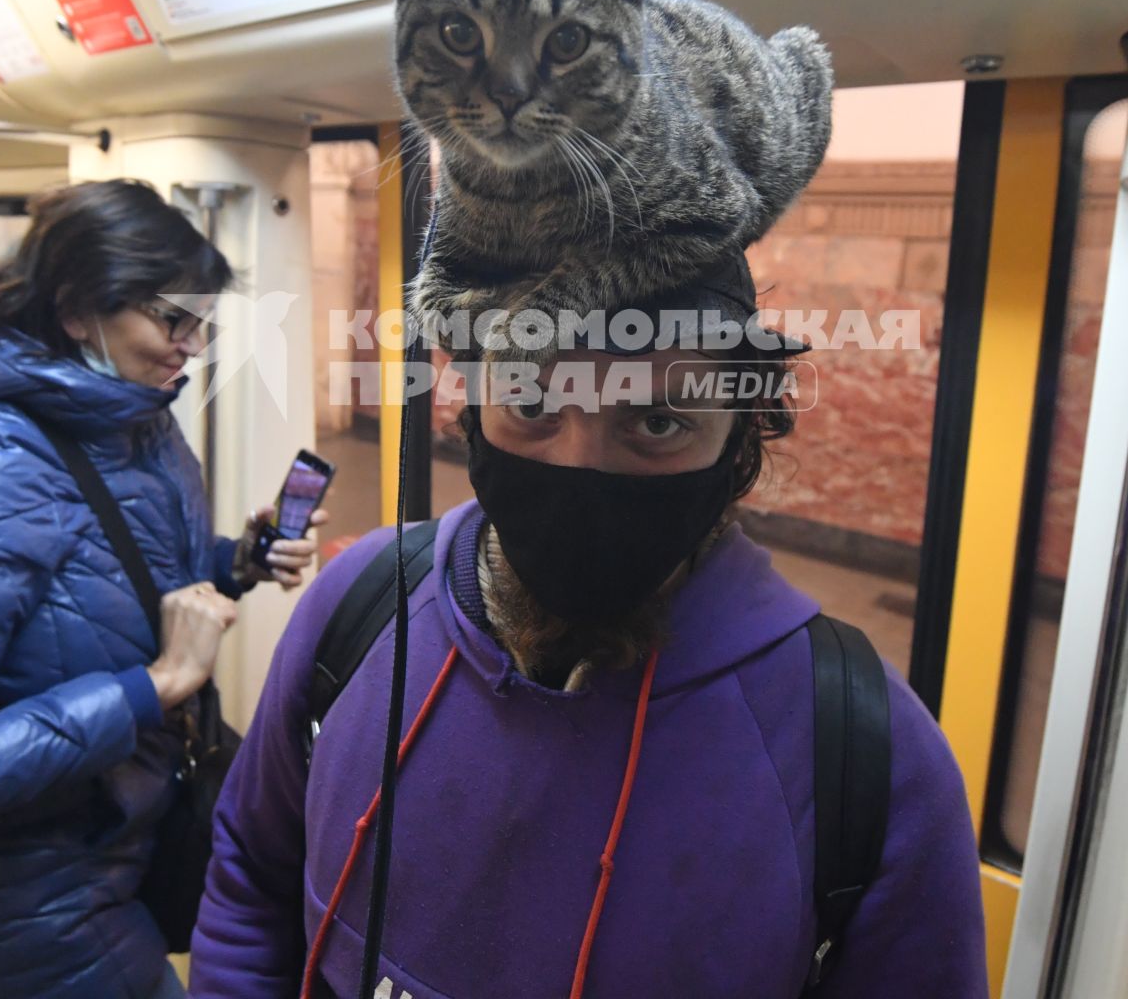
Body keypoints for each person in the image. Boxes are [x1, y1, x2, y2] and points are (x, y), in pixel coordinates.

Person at [191, 254, 989, 998]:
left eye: (657, 422)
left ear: (739, 442)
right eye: (534, 403)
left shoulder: (864, 752)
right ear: (473, 403)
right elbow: (254, 880)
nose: (579, 467)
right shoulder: (359, 607)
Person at [0, 180, 327, 999]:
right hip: (12, 911)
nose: (192, 346)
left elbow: (112, 577)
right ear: (75, 309)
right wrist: (152, 687)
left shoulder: (134, 417)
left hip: (123, 842)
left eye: (203, 322)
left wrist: (238, 559)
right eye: (173, 319)